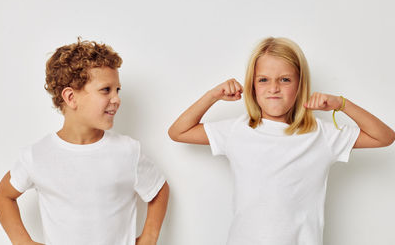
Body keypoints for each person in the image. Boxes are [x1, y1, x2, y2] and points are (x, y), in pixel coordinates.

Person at [168, 37, 395, 245]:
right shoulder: (237, 130)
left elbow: (384, 137)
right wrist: (212, 96)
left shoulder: (322, 135)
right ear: (252, 86)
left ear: (300, 85)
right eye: (264, 80)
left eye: (285, 79)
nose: (274, 88)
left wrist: (341, 104)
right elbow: (178, 132)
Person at [0, 39, 169, 245]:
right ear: (70, 97)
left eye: (117, 90)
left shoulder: (127, 151)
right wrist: (23, 242)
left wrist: (149, 236)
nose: (116, 99)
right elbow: (3, 196)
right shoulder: (37, 155)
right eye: (106, 90)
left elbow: (158, 189)